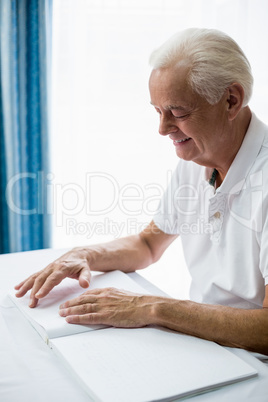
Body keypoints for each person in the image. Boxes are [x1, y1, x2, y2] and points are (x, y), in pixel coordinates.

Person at [15, 28, 268, 355]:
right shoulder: (197, 158)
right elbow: (148, 244)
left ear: (231, 100)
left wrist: (153, 308)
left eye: (178, 113)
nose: (162, 129)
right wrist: (85, 254)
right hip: (211, 349)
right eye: (157, 111)